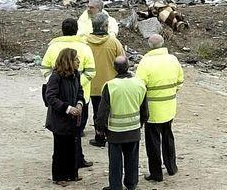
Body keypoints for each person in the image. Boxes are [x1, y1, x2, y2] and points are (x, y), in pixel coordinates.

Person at [41, 18, 96, 170]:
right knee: (76, 132)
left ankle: (74, 164)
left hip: (68, 99)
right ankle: (75, 162)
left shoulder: (53, 47)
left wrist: (58, 82)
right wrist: (71, 84)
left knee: (66, 134)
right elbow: (91, 71)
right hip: (79, 99)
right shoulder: (84, 47)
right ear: (77, 29)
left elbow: (45, 67)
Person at [94, 56, 148, 190]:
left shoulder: (110, 86)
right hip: (134, 129)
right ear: (128, 66)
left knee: (115, 162)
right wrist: (141, 123)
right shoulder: (140, 84)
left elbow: (103, 111)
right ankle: (131, 184)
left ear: (114, 68)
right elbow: (144, 109)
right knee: (132, 159)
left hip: (115, 131)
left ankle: (116, 186)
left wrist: (100, 128)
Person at [135, 34, 184, 182]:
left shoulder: (145, 63)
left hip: (152, 110)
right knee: (168, 137)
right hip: (169, 107)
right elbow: (180, 80)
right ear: (163, 44)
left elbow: (139, 87)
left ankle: (156, 173)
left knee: (153, 142)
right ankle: (171, 167)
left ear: (149, 46)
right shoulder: (173, 60)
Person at [44, 48, 86, 186]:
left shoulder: (76, 75)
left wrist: (80, 104)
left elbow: (80, 91)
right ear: (68, 61)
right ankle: (59, 176)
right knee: (60, 148)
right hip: (59, 119)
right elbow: (50, 97)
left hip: (73, 119)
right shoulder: (56, 77)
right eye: (75, 59)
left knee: (72, 146)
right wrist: (68, 109)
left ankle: (72, 174)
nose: (78, 62)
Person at [86, 13, 126, 148]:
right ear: (105, 26)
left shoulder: (85, 42)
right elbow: (123, 61)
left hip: (91, 84)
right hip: (111, 84)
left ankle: (99, 137)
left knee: (98, 111)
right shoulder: (114, 42)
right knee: (111, 111)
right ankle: (112, 135)